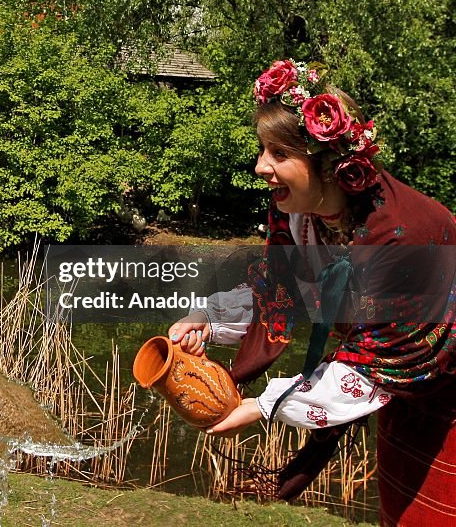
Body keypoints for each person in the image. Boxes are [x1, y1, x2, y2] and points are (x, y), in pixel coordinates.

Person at [169, 59, 456, 525]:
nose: (261, 166)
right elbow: (284, 289)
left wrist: (261, 406)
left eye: (279, 155)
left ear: (328, 164)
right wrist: (208, 316)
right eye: (263, 150)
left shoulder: (402, 234)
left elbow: (379, 355)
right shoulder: (298, 211)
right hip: (412, 394)